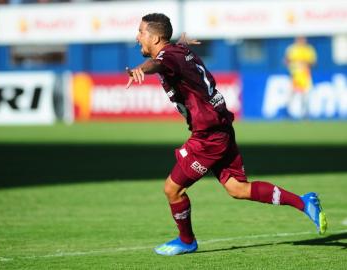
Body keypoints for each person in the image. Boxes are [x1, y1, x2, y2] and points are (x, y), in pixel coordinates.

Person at [126, 13, 327, 256]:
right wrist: (181, 42)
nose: (137, 37)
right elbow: (172, 53)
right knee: (237, 189)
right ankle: (304, 202)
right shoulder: (177, 51)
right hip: (220, 126)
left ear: (156, 37)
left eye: (141, 32)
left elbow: (157, 63)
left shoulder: (167, 57)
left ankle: (186, 240)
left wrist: (141, 69)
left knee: (172, 189)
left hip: (208, 134)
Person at [284, 37, 317, 118]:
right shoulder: (292, 49)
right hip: (294, 76)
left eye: (303, 39)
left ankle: (305, 114)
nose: (302, 41)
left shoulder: (309, 49)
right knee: (290, 95)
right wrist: (292, 65)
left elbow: (314, 63)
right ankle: (287, 113)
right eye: (299, 39)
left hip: (305, 76)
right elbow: (286, 61)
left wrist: (306, 64)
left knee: (305, 96)